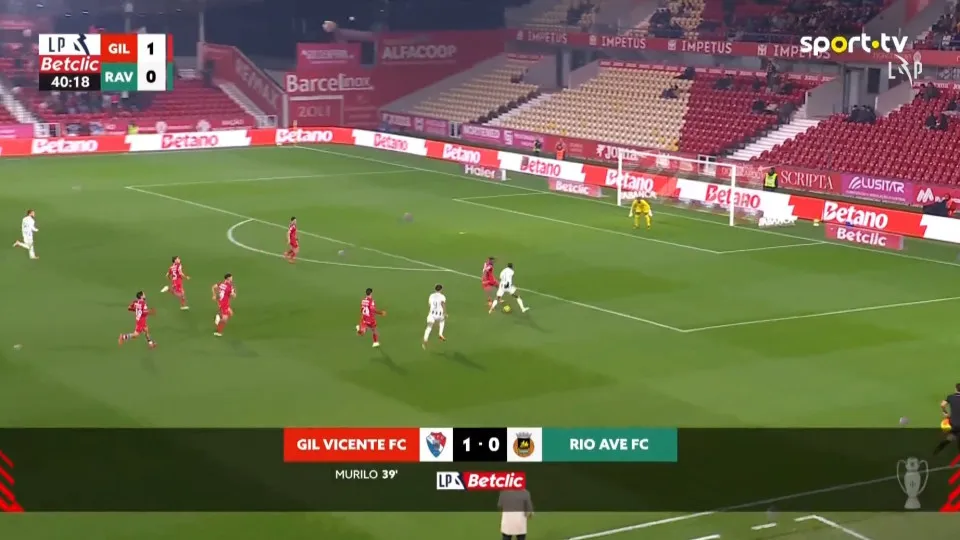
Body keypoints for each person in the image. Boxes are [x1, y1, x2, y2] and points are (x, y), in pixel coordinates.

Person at [934, 384, 960, 455]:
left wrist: (945, 412)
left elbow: (942, 404)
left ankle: (942, 445)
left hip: (953, 423)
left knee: (953, 434)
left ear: (956, 389)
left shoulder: (950, 397)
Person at [422, 284, 447, 349]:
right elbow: (443, 304)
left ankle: (425, 340)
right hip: (439, 314)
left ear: (435, 289)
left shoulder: (431, 295)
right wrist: (445, 313)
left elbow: (429, 305)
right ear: (441, 289)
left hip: (432, 314)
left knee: (429, 327)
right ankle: (440, 333)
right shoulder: (442, 296)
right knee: (442, 321)